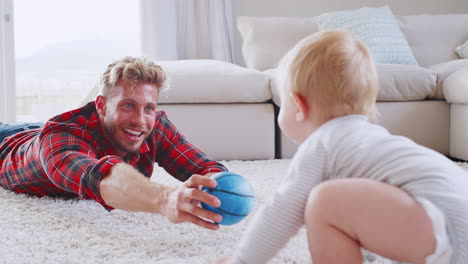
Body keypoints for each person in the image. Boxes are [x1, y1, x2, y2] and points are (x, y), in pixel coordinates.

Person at [216, 30, 468, 264]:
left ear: (299, 105)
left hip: (447, 229)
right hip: (455, 219)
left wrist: (242, 261)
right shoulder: (371, 141)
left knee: (323, 202)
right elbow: (370, 222)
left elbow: (281, 213)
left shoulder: (323, 143)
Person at [0, 56, 226, 231]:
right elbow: (99, 176)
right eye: (127, 105)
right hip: (9, 141)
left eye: (149, 107)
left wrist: (219, 190)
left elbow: (208, 169)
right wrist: (166, 198)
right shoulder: (60, 136)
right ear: (101, 105)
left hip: (37, 128)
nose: (140, 120)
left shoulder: (155, 125)